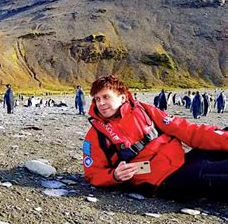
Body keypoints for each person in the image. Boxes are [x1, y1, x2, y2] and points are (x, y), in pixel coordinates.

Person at [82, 75, 228, 200]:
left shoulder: (144, 110)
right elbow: (92, 174)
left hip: (183, 160)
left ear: (122, 97)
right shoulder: (96, 135)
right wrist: (114, 175)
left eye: (106, 97)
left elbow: (186, 130)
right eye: (96, 99)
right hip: (165, 179)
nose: (100, 103)